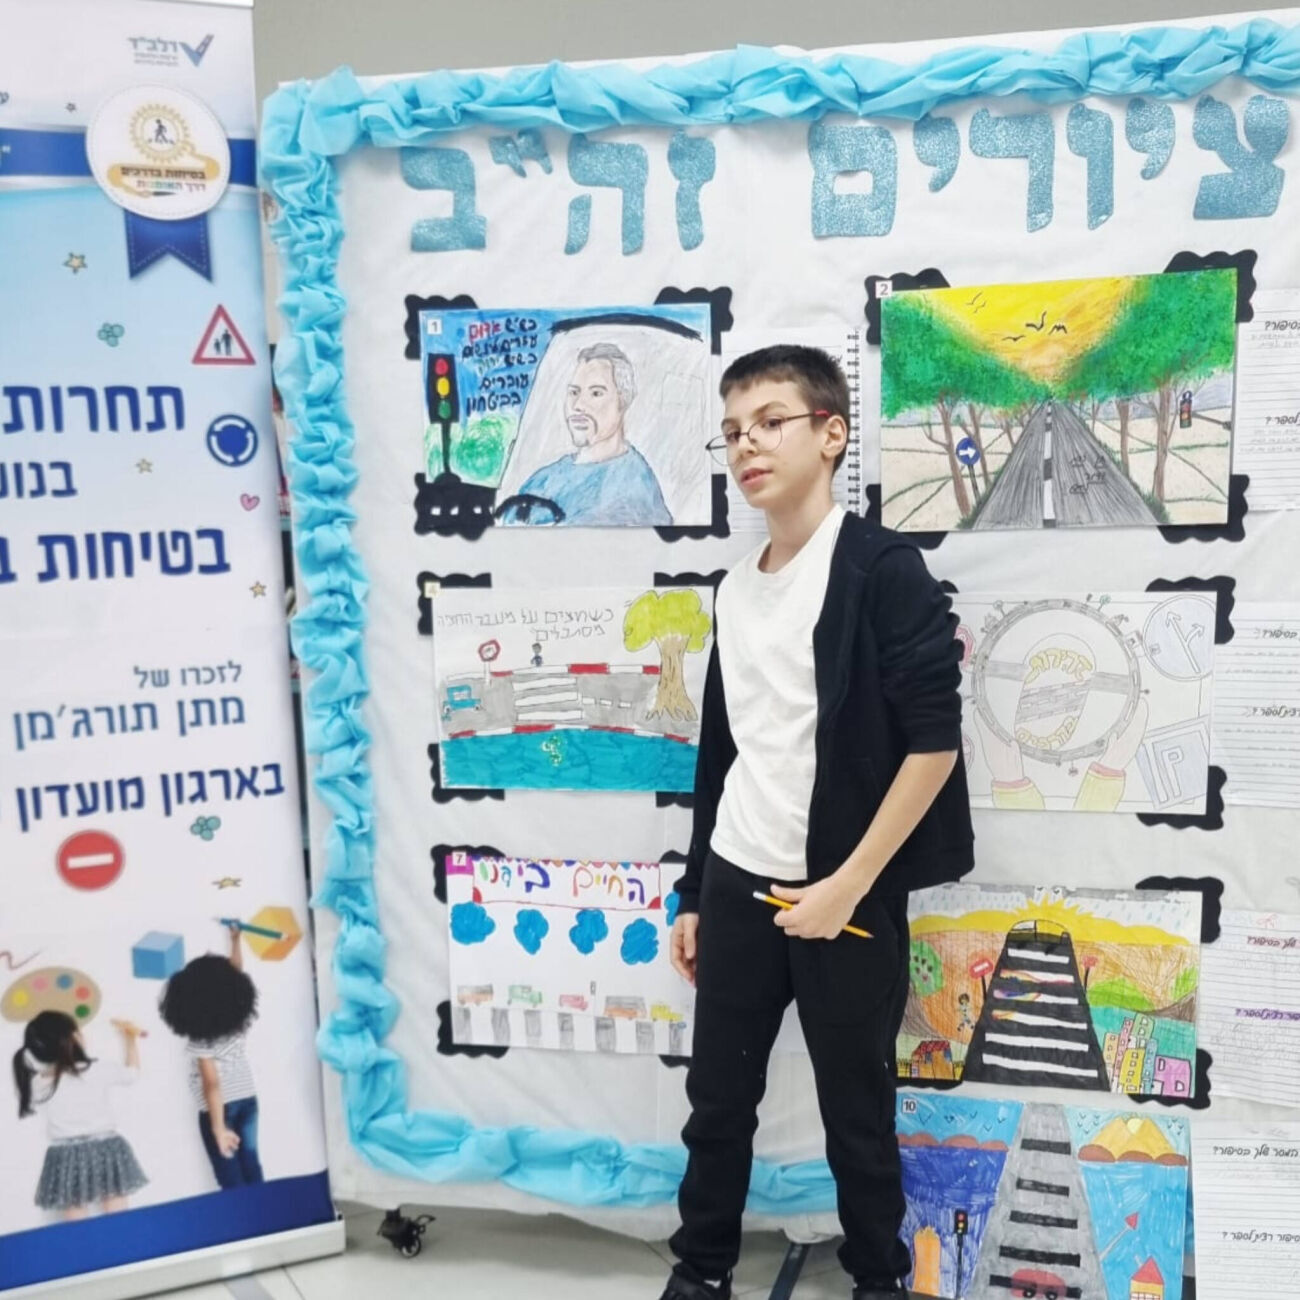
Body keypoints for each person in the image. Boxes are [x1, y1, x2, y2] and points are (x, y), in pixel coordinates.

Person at [660, 345, 974, 1300]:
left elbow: (934, 746)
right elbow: (723, 752)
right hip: (737, 877)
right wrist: (694, 890)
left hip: (847, 886)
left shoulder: (883, 569)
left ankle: (879, 1280)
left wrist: (848, 887)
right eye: (731, 431)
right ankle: (701, 1272)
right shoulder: (733, 587)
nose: (746, 446)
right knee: (717, 1104)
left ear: (832, 434)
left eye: (770, 422)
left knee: (858, 1113)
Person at [502, 342, 672, 526]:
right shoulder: (540, 481)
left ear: (623, 401)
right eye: (574, 392)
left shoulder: (636, 492)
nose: (578, 405)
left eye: (596, 393)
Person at [13, 1011, 148, 1219]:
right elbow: (132, 1074)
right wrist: (130, 1039)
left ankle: (82, 1241)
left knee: (75, 1215)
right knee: (117, 1211)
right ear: (74, 1037)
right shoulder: (96, 1069)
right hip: (106, 1147)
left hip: (65, 1153)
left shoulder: (39, 1083)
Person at [158, 924, 263, 1188]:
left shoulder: (201, 1041)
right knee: (251, 1164)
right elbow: (236, 972)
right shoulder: (237, 1026)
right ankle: (264, 1208)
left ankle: (241, 1212)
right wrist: (236, 941)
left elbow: (212, 1084)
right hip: (247, 1099)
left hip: (220, 1109)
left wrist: (218, 1129)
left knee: (230, 1176)